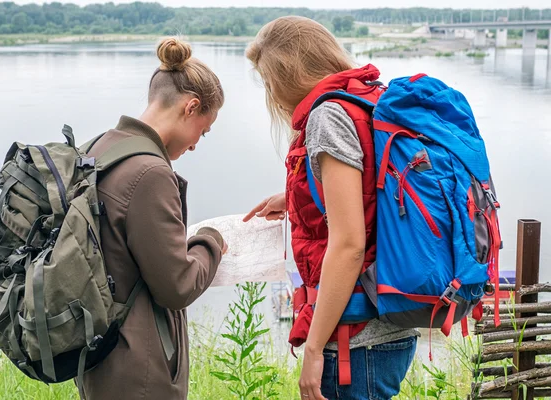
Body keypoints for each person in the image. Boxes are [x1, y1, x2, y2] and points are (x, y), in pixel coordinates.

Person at [244, 17, 418, 400]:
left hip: (355, 343)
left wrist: (313, 348)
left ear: (288, 74)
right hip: (386, 325)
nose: (271, 94)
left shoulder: (327, 115)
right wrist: (294, 198)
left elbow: (350, 243)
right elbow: (370, 194)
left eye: (269, 81)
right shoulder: (368, 97)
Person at [82, 37, 227, 399]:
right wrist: (211, 241)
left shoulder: (98, 147)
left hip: (98, 355)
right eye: (203, 131)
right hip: (140, 368)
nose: (195, 144)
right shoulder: (150, 173)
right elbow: (177, 286)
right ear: (191, 107)